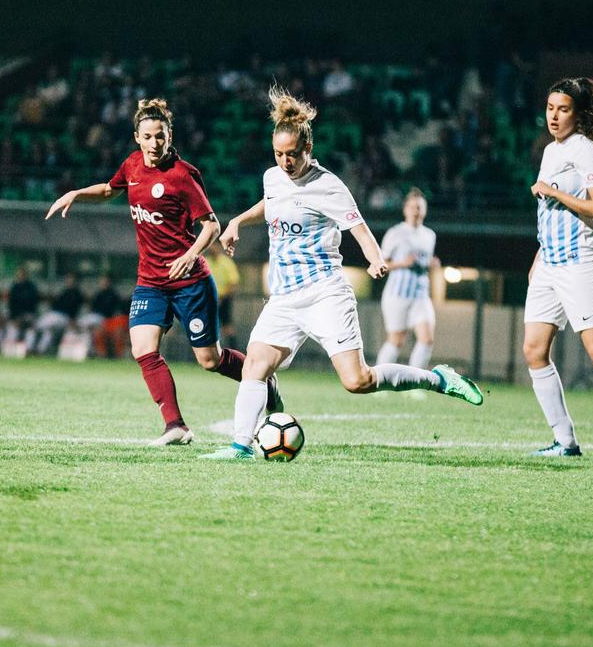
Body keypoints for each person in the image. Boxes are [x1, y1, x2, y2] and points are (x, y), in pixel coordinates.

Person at [202, 86, 482, 460]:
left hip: (324, 293)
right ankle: (241, 447)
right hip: (284, 298)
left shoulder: (328, 186)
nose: (285, 162)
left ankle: (438, 378)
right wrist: (238, 220)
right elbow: (272, 203)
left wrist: (375, 257)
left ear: (308, 151)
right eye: (279, 154)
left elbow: (359, 228)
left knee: (357, 381)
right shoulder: (273, 177)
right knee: (255, 364)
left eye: (292, 155)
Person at [47, 97, 281, 446]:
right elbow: (110, 190)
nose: (155, 143)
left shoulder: (182, 175)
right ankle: (176, 425)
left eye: (161, 136)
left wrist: (190, 255)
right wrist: (77, 193)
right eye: (148, 136)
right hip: (151, 281)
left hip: (190, 282)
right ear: (136, 138)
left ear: (169, 136)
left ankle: (264, 379)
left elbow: (211, 226)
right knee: (143, 349)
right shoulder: (132, 166)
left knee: (209, 359)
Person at [524, 77, 593, 463]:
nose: (554, 116)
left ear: (579, 114)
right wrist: (539, 256)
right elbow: (548, 214)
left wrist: (555, 191)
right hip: (550, 264)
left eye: (563, 109)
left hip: (579, 263)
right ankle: (565, 441)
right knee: (534, 350)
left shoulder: (585, 151)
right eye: (550, 108)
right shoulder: (551, 151)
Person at [376, 188, 440, 371]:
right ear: (405, 209)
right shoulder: (395, 233)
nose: (416, 211)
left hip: (420, 294)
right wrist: (402, 263)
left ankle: (415, 383)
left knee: (427, 339)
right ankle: (378, 380)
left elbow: (423, 262)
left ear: (425, 210)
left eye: (419, 207)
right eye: (412, 207)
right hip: (397, 294)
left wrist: (430, 264)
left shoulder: (429, 235)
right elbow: (382, 264)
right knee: (396, 341)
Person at [30, 273, 84, 355]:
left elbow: (74, 309)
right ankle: (35, 350)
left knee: (44, 327)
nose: (69, 281)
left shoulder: (77, 293)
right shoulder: (64, 292)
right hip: (55, 315)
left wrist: (72, 320)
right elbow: (55, 305)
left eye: (71, 279)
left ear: (76, 281)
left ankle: (37, 350)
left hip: (64, 317)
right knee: (43, 330)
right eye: (68, 279)